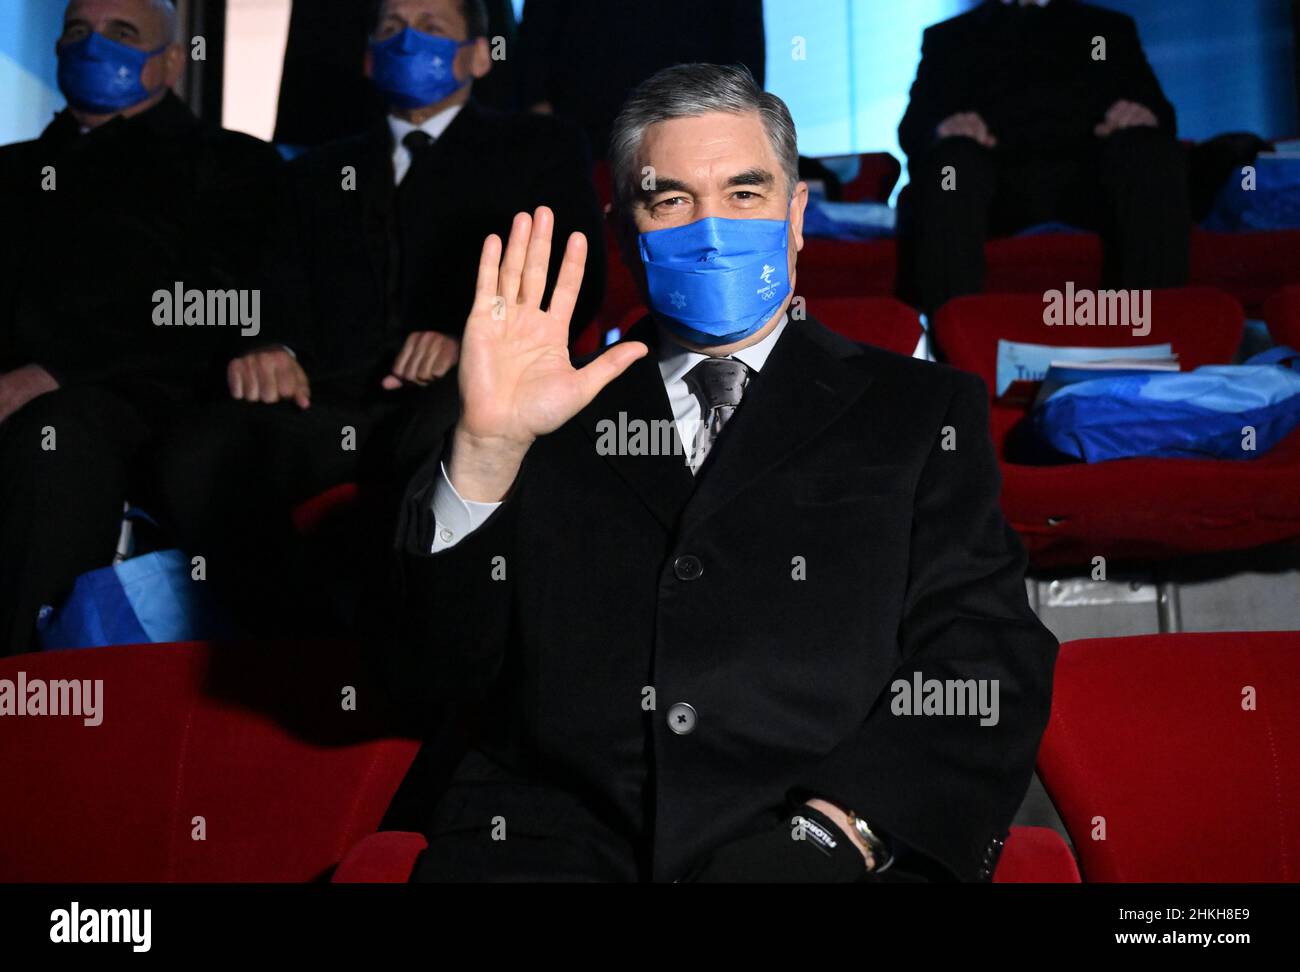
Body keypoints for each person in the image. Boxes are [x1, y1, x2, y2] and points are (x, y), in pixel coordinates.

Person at [381, 64, 1059, 882]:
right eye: (670, 200)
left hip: (815, 846)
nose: (710, 229)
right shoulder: (535, 409)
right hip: (547, 848)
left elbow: (984, 658)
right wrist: (487, 453)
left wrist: (844, 832)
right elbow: (425, 675)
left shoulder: (920, 411)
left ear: (797, 216)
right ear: (624, 231)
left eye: (745, 193)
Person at [153, 0, 606, 637]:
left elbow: (571, 271)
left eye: (432, 27)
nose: (407, 41)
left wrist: (471, 337)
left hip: (455, 397)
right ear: (367, 58)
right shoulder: (312, 172)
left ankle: (417, 652)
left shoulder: (537, 148)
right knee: (201, 450)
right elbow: (273, 280)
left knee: (444, 443)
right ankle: (294, 646)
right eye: (390, 29)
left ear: (480, 54)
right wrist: (271, 344)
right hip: (327, 400)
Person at [0, 0, 281, 657]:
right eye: (78, 32)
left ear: (174, 61)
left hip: (148, 400)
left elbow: (226, 305)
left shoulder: (233, 166)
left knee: (53, 438)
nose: (94, 47)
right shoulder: (10, 172)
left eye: (122, 34)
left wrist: (52, 374)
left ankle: (24, 707)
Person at [896, 0, 1191, 316]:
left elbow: (1161, 115)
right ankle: (955, 342)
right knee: (951, 167)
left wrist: (1139, 114)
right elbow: (913, 129)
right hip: (991, 192)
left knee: (1147, 152)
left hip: (1092, 188)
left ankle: (1155, 336)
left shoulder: (1105, 32)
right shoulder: (951, 38)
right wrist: (945, 128)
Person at [516, 0, 765, 158]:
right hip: (584, 132)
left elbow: (746, 46)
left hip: (692, 126)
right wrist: (538, 113)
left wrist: (740, 121)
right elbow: (535, 36)